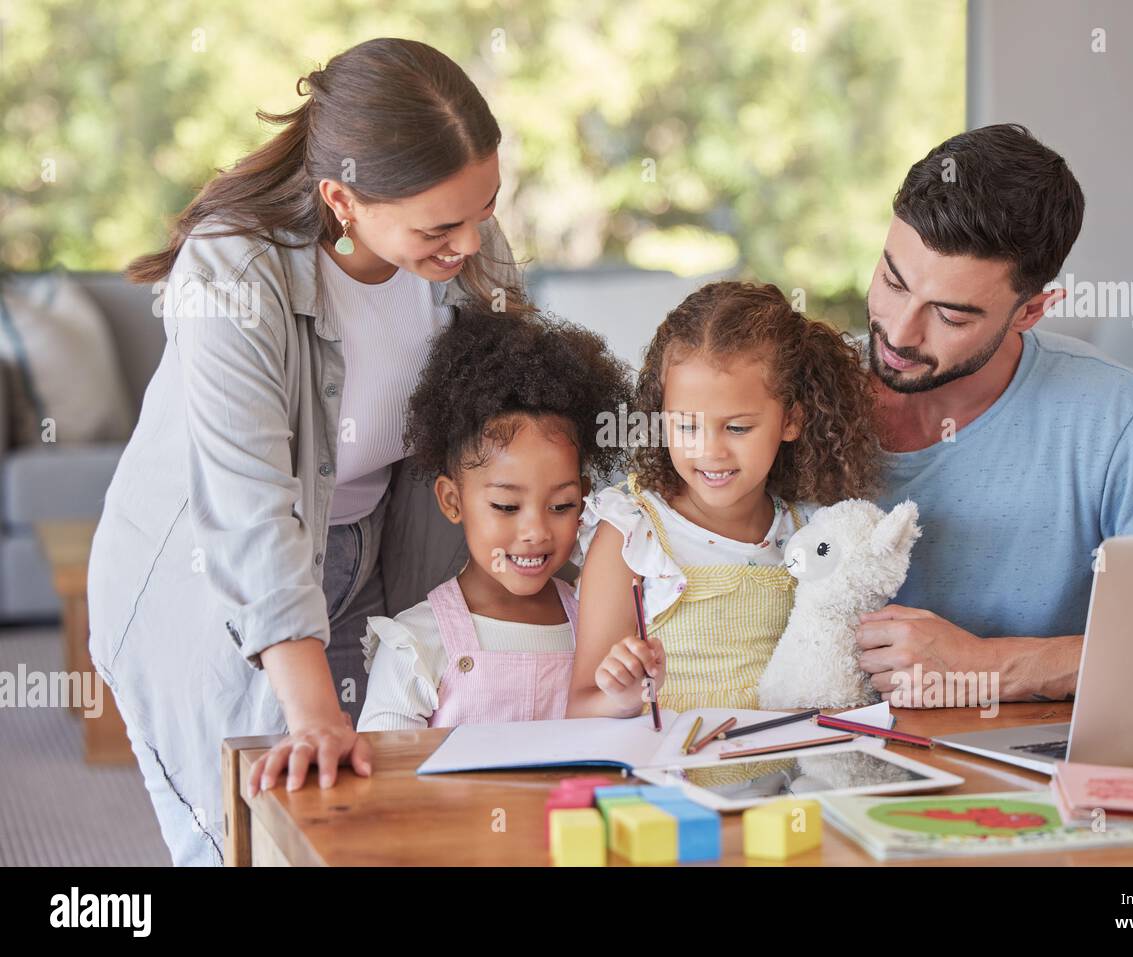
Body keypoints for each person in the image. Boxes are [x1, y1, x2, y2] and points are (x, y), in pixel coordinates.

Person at [88, 38, 526, 865]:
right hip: (208, 580)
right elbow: (251, 506)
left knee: (353, 826)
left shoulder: (464, 260)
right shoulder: (233, 273)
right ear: (343, 199)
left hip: (362, 558)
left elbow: (520, 428)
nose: (471, 243)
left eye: (486, 207)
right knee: (240, 836)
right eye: (440, 225)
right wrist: (314, 711)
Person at [853, 123, 1133, 705]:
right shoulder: (786, 396)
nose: (899, 331)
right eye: (892, 280)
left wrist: (991, 666)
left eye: (951, 316)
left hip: (1028, 768)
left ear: (1029, 311)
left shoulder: (1121, 419)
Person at [567, 280, 882, 716]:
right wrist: (622, 697)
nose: (710, 451)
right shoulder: (630, 535)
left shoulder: (809, 530)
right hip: (671, 780)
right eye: (687, 426)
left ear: (791, 420)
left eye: (737, 428)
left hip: (791, 779)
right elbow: (580, 708)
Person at [355, 306, 631, 732]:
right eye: (506, 506)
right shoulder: (417, 645)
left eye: (561, 506)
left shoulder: (597, 628)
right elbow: (387, 788)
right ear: (452, 500)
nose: (536, 532)